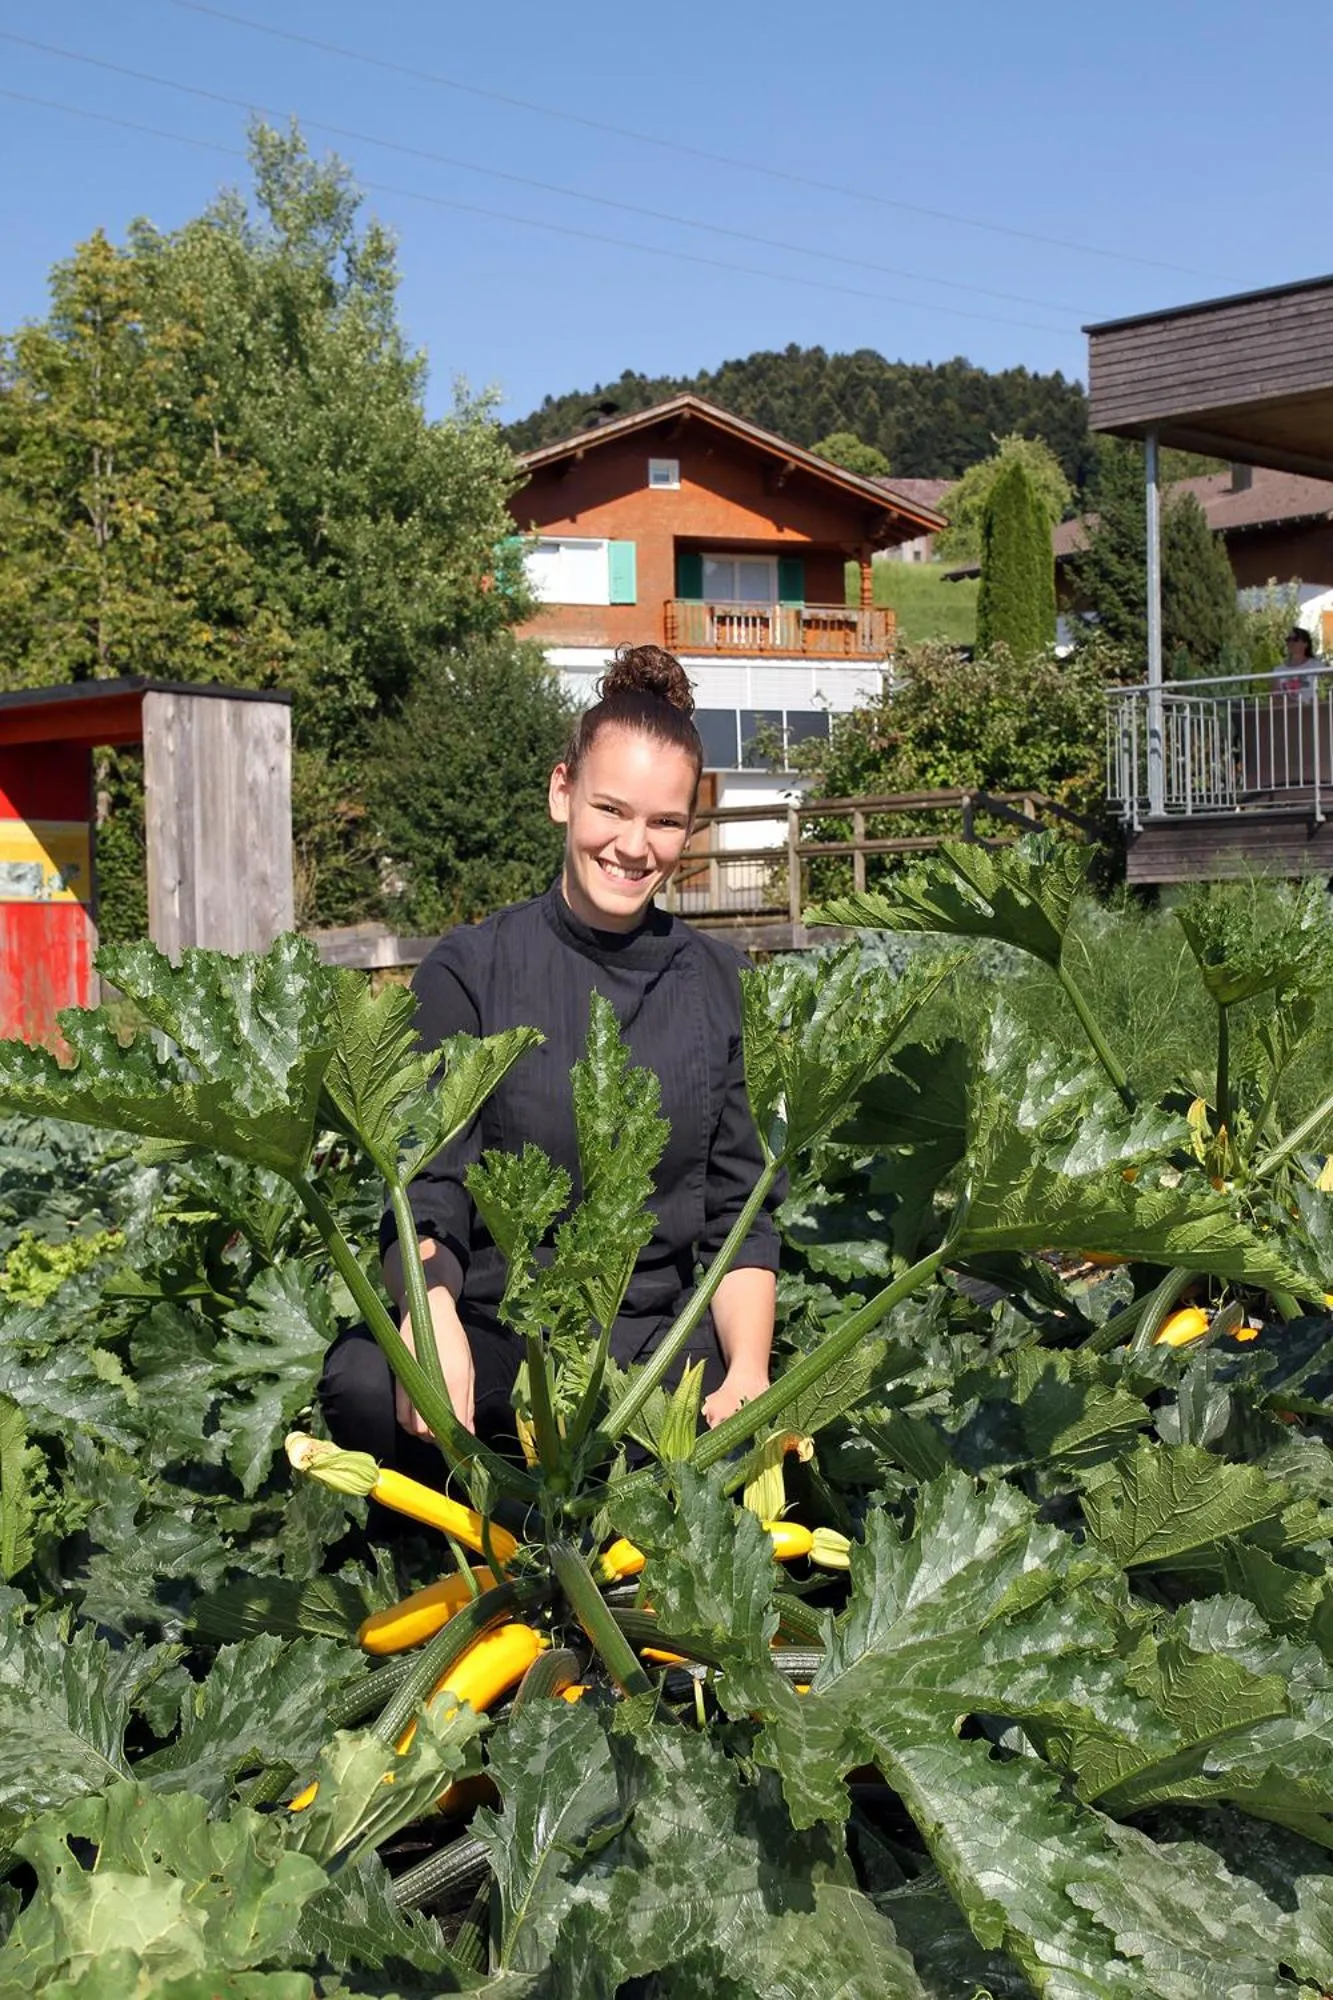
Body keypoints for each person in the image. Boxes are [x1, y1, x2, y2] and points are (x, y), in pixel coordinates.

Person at [319, 644, 780, 1485]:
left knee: (743, 1434)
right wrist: (434, 1326)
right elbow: (423, 1191)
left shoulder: (716, 984)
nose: (634, 846)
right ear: (560, 792)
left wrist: (747, 1372)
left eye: (665, 822)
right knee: (366, 1377)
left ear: (688, 828)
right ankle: (452, 1560)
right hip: (505, 1330)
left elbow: (740, 1216)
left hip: (656, 1340)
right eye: (611, 809)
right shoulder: (470, 970)